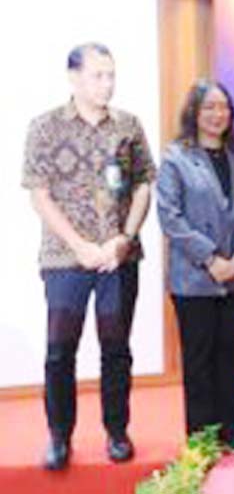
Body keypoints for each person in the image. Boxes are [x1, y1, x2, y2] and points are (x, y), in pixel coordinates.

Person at [21, 42, 155, 470]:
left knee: (116, 348)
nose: (107, 83)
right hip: (65, 259)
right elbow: (39, 194)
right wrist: (79, 246)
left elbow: (143, 184)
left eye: (111, 75)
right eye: (98, 75)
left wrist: (125, 237)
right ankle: (60, 437)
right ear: (73, 77)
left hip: (118, 257)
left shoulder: (128, 125)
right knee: (60, 350)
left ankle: (117, 432)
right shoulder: (45, 127)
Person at [156, 79, 234, 455]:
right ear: (194, 112)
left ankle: (230, 431)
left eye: (224, 107)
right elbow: (170, 217)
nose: (218, 114)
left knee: (229, 355)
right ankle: (201, 439)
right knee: (199, 361)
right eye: (210, 107)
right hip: (194, 280)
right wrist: (210, 259)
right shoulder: (176, 158)